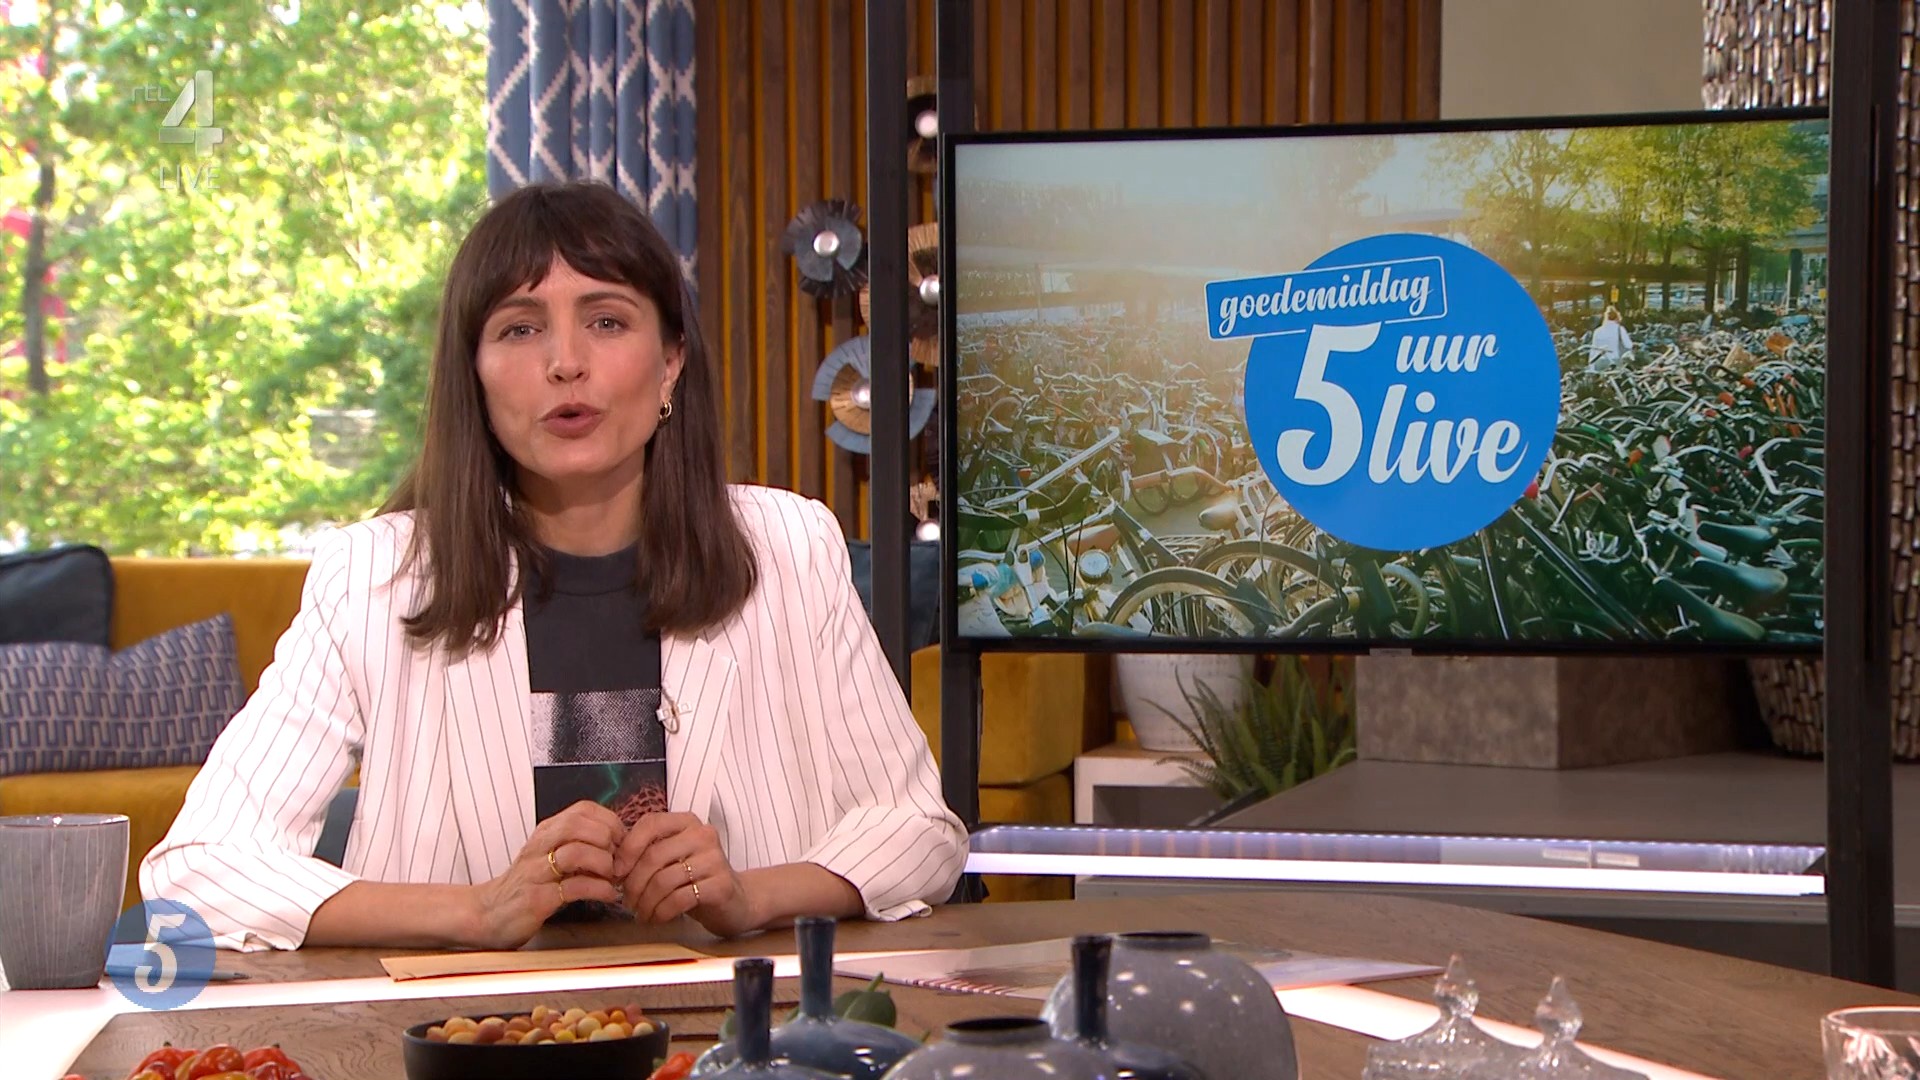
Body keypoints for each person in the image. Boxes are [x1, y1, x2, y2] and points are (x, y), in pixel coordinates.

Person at [140, 180, 968, 952]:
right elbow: (200, 868)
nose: (565, 362)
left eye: (606, 321)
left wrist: (750, 896)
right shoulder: (375, 576)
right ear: (474, 372)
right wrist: (476, 910)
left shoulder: (789, 547)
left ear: (671, 359)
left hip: (729, 1028)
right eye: (520, 328)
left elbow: (918, 831)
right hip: (463, 1035)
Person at [1586, 305, 1633, 370]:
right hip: (1614, 361)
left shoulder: (1598, 331)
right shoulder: (1619, 329)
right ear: (1617, 317)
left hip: (1599, 361)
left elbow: (1593, 349)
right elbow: (1629, 345)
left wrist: (1591, 366)